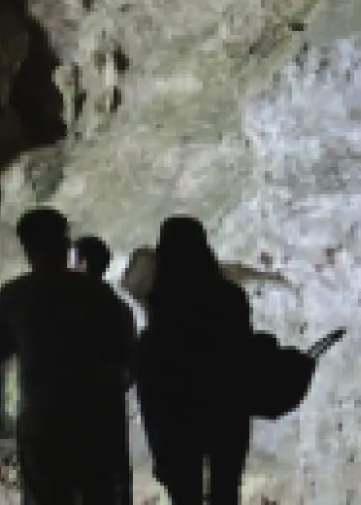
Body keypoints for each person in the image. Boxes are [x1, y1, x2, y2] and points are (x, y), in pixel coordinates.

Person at [0, 208, 134, 504]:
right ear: (64, 244)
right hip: (94, 414)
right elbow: (123, 355)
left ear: (27, 248)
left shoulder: (14, 294)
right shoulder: (100, 294)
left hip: (41, 416)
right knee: (96, 494)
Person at [135, 216, 254, 505]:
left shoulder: (160, 302)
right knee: (225, 491)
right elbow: (243, 351)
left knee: (184, 494)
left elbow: (153, 372)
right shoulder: (231, 297)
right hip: (226, 405)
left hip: (177, 411)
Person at [74, 235, 137, 505]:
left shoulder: (68, 310)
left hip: (75, 403)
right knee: (117, 470)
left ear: (84, 264)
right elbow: (131, 362)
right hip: (110, 397)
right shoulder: (120, 308)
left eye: (72, 261)